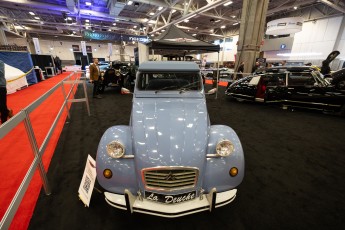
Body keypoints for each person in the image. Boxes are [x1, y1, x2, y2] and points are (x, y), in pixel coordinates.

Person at [0, 60, 14, 124]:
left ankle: (4, 122)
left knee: (2, 105)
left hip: (1, 86)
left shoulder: (0, 62)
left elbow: (1, 73)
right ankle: (8, 111)